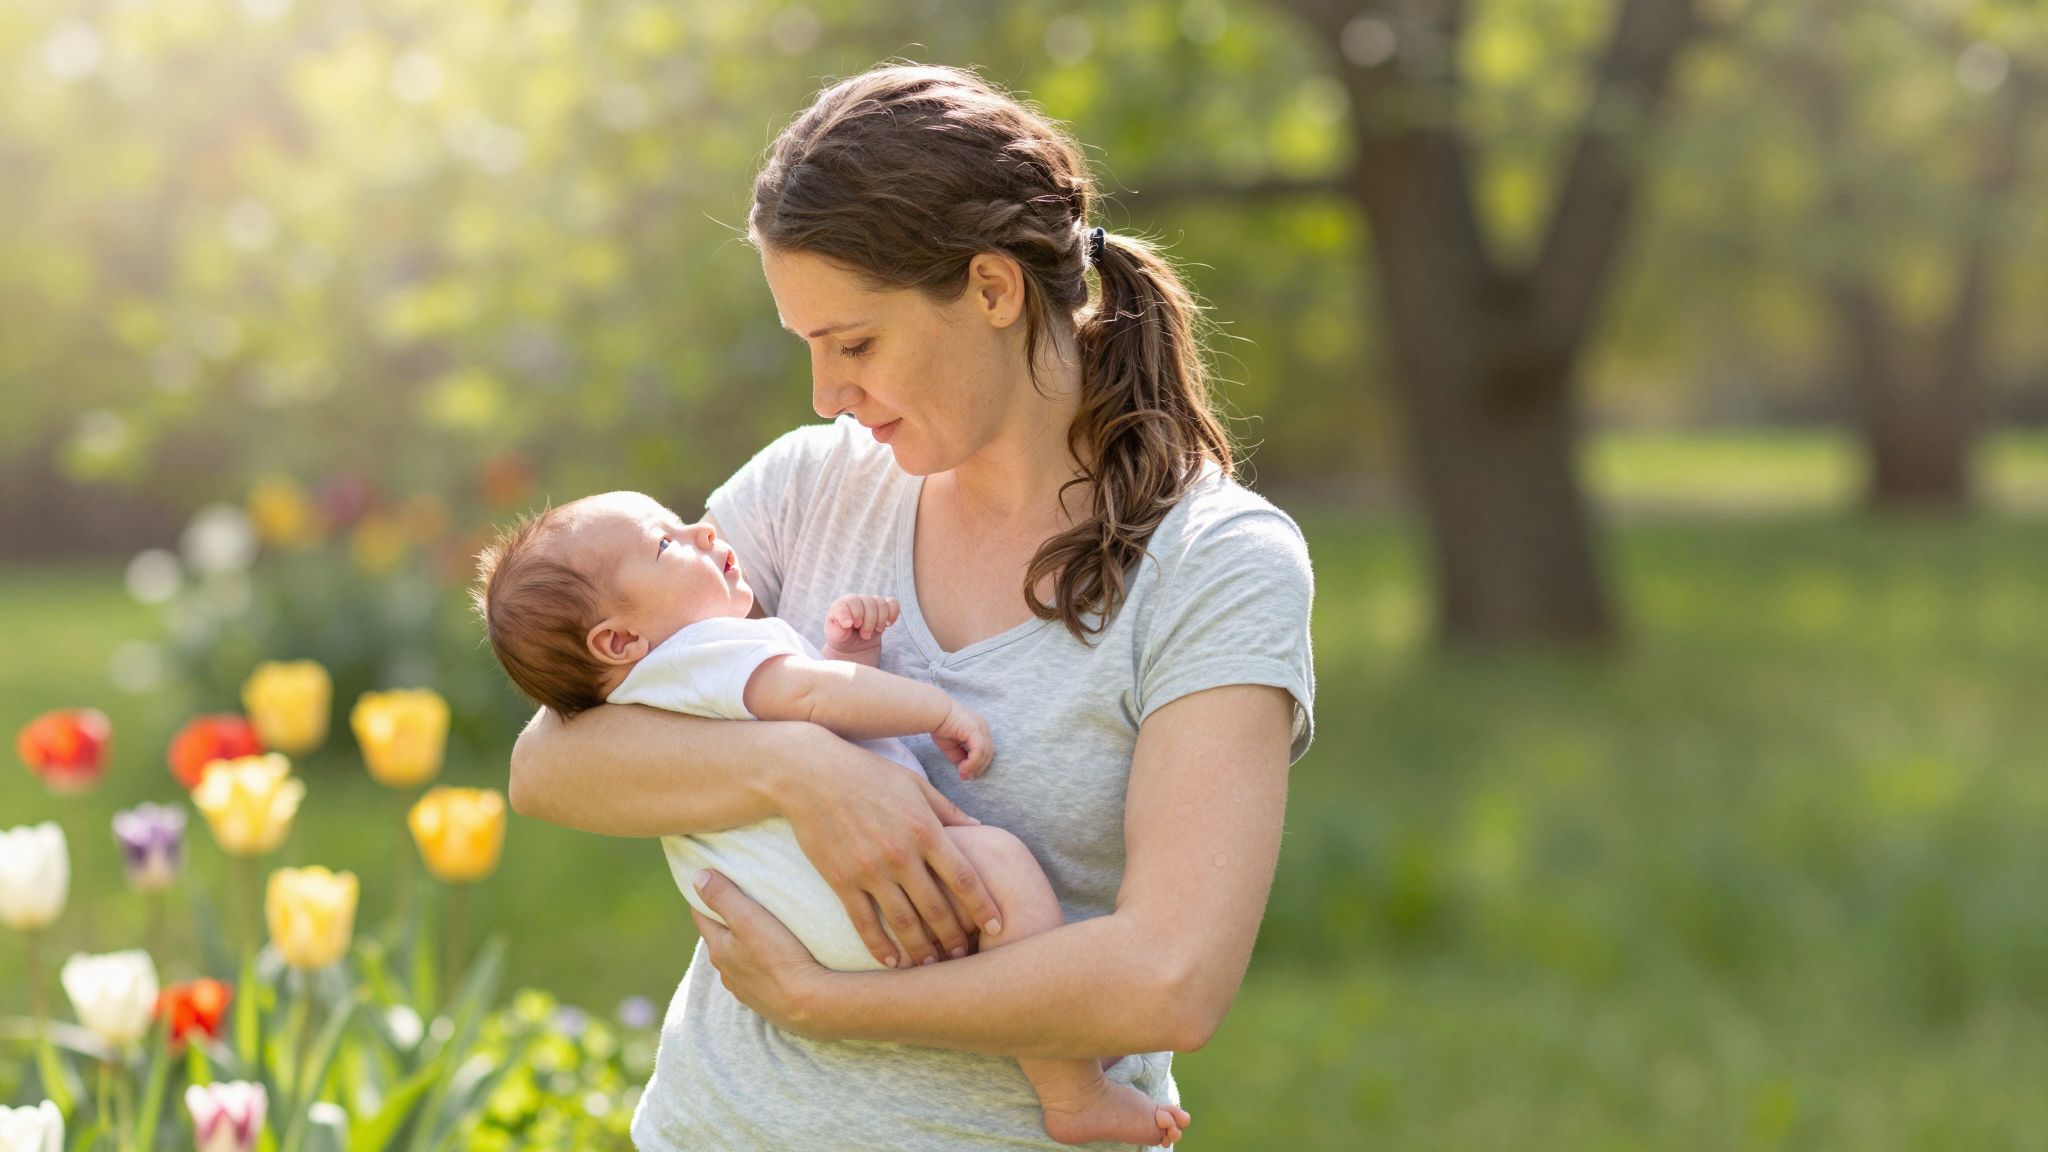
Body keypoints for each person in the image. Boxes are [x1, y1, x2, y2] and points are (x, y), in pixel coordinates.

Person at [507, 63, 1316, 1150]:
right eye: (809, 350)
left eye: (854, 344)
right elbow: (551, 763)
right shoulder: (808, 486)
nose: (826, 395)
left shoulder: (1214, 564)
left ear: (991, 289)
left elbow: (1166, 980)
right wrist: (803, 772)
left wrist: (822, 1002)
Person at [469, 490, 1192, 1145]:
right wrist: (935, 709)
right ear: (618, 642)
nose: (701, 530)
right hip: (856, 903)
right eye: (666, 544)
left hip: (804, 920)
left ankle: (1052, 1037)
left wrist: (849, 655)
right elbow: (816, 701)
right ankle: (1070, 1086)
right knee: (999, 864)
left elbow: (815, 703)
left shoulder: (651, 692)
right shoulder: (703, 653)